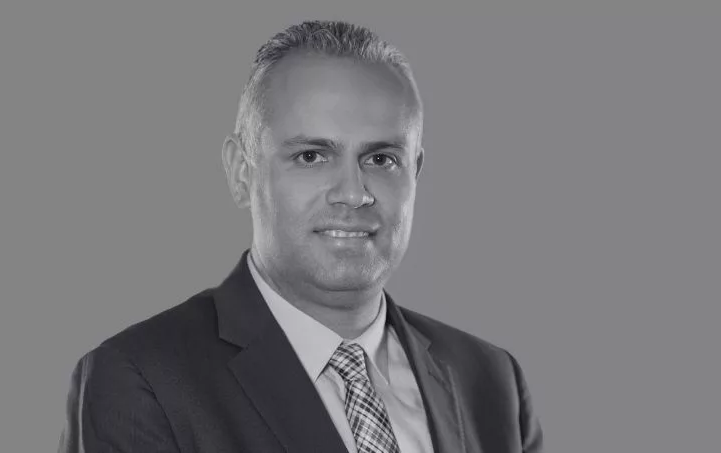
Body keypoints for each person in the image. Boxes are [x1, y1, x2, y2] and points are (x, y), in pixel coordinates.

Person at [58, 20, 544, 453]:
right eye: (311, 156)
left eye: (381, 159)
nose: (353, 193)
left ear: (415, 172)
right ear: (241, 172)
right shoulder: (141, 380)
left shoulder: (490, 380)